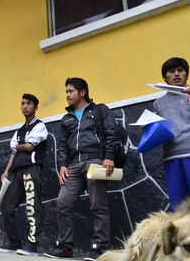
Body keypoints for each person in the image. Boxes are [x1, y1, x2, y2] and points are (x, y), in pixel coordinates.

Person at [44, 78, 119, 261]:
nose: (67, 95)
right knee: (63, 202)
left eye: (71, 91)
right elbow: (62, 145)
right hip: (73, 165)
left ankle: (100, 248)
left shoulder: (100, 110)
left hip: (95, 161)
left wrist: (109, 157)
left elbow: (111, 133)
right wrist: (62, 165)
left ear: (82, 92)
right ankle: (66, 247)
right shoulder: (66, 119)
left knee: (97, 205)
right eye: (66, 92)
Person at [0, 94, 48, 256]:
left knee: (32, 207)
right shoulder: (19, 131)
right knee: (6, 206)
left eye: (29, 104)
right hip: (17, 172)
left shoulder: (40, 126)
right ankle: (14, 243)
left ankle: (32, 247)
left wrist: (18, 146)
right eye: (23, 103)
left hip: (31, 169)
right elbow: (14, 152)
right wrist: (6, 171)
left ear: (35, 107)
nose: (25, 106)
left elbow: (29, 147)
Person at [153, 57, 190, 211]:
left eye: (180, 70)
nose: (176, 74)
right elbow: (156, 131)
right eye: (171, 71)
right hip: (171, 158)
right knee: (179, 208)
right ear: (164, 77)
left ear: (187, 75)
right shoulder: (158, 104)